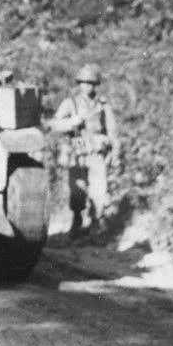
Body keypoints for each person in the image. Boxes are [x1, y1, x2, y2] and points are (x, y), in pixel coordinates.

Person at [48, 64, 118, 239]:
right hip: (78, 155)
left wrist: (115, 153)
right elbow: (54, 124)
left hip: (97, 155)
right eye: (84, 83)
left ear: (96, 85)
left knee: (99, 191)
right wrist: (71, 122)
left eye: (91, 83)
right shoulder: (70, 103)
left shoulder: (103, 106)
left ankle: (96, 224)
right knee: (77, 192)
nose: (87, 87)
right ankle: (77, 221)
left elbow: (113, 131)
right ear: (79, 84)